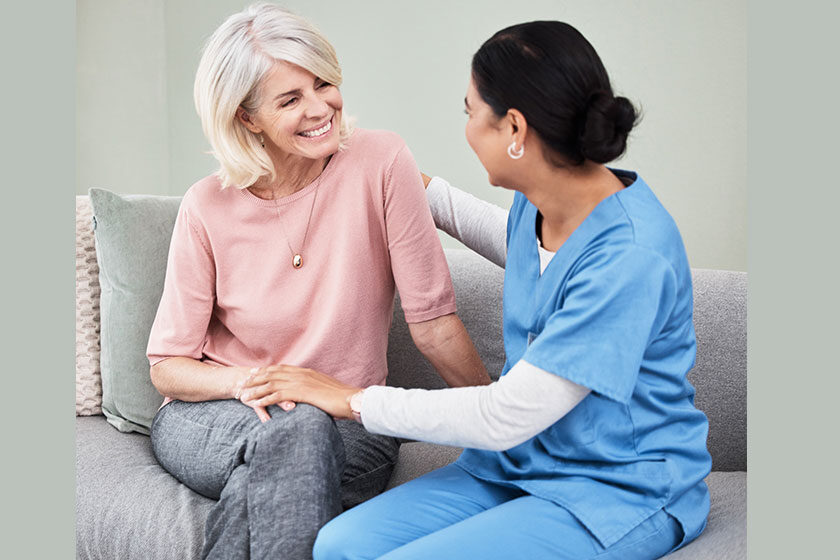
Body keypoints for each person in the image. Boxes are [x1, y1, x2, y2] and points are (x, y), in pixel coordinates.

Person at [238, 20, 713, 560]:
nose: (465, 127)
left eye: (470, 112)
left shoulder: (631, 256)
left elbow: (505, 414)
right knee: (338, 545)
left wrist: (348, 399)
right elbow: (524, 249)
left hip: (616, 489)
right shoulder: (544, 203)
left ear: (513, 129)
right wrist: (397, 180)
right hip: (519, 462)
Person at [145, 4, 490, 559]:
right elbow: (168, 368)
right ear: (248, 118)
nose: (321, 108)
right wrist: (254, 383)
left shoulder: (381, 160)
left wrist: (498, 422)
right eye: (290, 99)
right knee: (291, 438)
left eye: (323, 83)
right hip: (214, 417)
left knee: (296, 439)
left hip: (347, 422)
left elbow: (434, 323)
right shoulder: (206, 206)